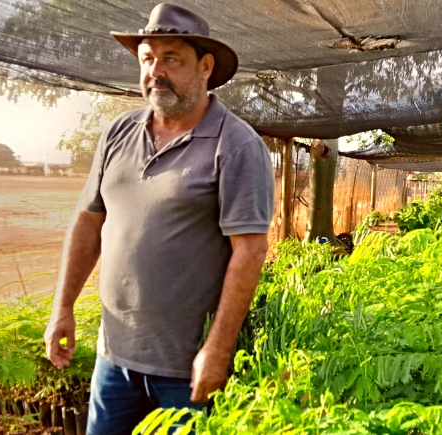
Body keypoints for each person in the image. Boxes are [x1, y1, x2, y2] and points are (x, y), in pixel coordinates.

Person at [42, 3, 274, 434]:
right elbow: (88, 223)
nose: (156, 71)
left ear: (205, 66)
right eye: (148, 58)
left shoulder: (236, 145)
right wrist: (63, 307)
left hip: (185, 370)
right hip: (113, 359)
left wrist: (218, 351)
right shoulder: (119, 132)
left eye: (172, 59)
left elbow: (250, 251)